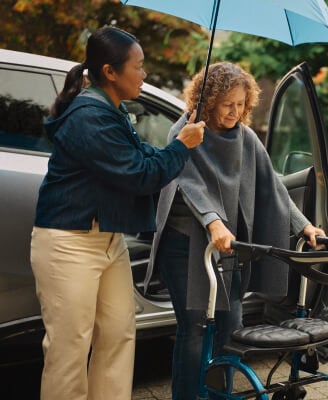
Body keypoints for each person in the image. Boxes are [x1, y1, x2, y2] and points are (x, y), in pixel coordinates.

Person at [29, 26, 205, 400]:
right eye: (138, 67)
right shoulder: (89, 115)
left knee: (118, 336)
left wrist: (176, 145)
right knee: (69, 350)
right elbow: (139, 174)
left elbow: (142, 157)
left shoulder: (115, 111)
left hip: (107, 240)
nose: (144, 75)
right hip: (69, 243)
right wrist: (182, 148)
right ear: (111, 71)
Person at [147, 62, 325, 400]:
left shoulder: (245, 138)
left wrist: (304, 227)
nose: (235, 111)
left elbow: (273, 186)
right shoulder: (185, 130)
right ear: (208, 99)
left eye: (242, 104)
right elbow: (189, 183)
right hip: (186, 246)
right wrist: (214, 222)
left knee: (231, 329)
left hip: (226, 248)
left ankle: (219, 396)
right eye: (228, 103)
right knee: (197, 329)